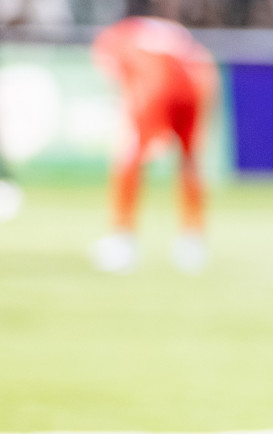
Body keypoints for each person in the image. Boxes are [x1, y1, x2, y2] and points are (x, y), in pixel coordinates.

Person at [90, 17, 218, 275]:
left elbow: (134, 82)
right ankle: (192, 241)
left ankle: (122, 239)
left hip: (160, 85)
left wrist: (142, 121)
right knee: (190, 161)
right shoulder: (153, 31)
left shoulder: (112, 42)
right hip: (200, 78)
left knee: (129, 156)